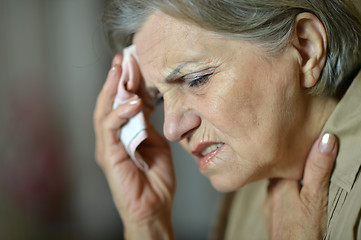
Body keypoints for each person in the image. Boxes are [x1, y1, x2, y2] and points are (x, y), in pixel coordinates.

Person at [94, 0, 361, 239]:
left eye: (197, 79)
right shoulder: (247, 189)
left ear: (305, 48)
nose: (171, 129)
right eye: (161, 98)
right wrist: (147, 223)